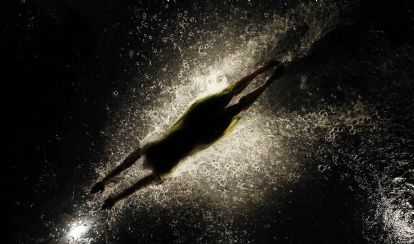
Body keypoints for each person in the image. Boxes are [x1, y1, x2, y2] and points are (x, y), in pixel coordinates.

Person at [91, 60, 284, 209]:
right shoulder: (159, 162)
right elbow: (134, 180)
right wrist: (109, 189)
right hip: (200, 130)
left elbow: (129, 172)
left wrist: (107, 185)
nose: (144, 165)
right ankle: (268, 78)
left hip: (197, 125)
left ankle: (266, 75)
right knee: (233, 101)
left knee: (232, 98)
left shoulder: (153, 153)